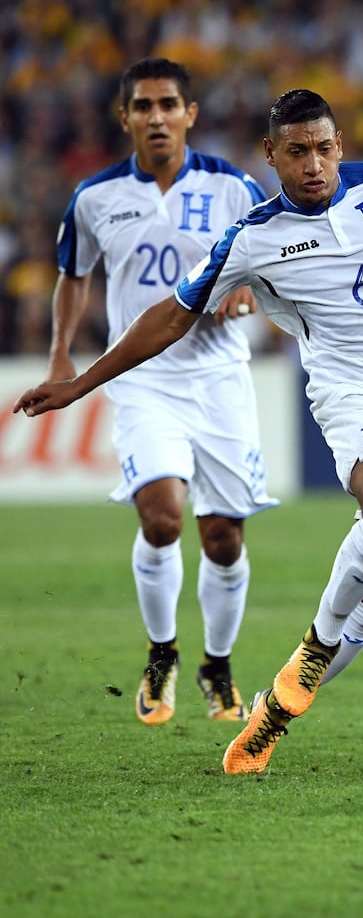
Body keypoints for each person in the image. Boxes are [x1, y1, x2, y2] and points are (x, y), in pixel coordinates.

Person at [14, 89, 363, 775]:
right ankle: (315, 646)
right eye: (297, 152)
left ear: (339, 144)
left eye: (323, 148)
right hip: (353, 391)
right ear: (272, 156)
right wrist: (81, 381)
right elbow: (171, 316)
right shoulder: (254, 237)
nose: (313, 164)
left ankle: (276, 709)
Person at [40, 57, 278, 728]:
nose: (156, 117)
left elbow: (275, 256)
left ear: (189, 114)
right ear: (126, 119)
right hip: (143, 379)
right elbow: (73, 275)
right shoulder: (94, 197)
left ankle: (218, 665)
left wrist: (246, 288)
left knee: (224, 535)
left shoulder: (234, 187)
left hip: (221, 377)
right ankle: (163, 651)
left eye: (168, 104)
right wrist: (61, 350)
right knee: (162, 517)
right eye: (142, 106)